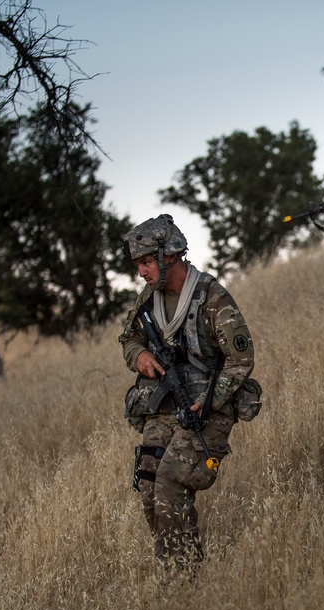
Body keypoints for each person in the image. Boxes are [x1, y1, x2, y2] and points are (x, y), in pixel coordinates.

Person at [118, 214, 256, 569]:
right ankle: (175, 572)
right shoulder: (149, 300)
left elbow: (240, 361)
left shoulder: (213, 298)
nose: (142, 273)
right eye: (138, 265)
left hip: (208, 407)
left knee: (171, 482)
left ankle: (184, 577)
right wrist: (141, 355)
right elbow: (129, 338)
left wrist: (208, 401)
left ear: (170, 256)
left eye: (146, 262)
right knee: (148, 487)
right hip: (165, 404)